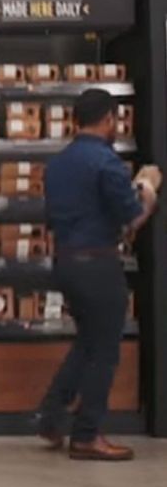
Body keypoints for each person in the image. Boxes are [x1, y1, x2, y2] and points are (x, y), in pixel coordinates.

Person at [37, 88, 160, 461]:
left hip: (67, 262)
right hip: (98, 264)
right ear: (109, 119)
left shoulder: (57, 164)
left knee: (88, 342)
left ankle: (51, 418)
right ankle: (87, 435)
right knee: (105, 350)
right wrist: (149, 194)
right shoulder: (106, 163)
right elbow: (129, 219)